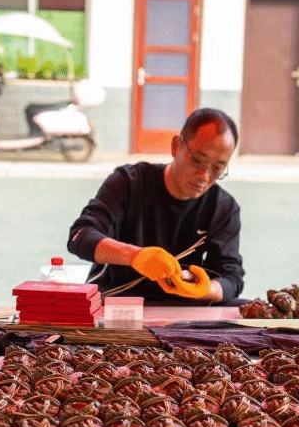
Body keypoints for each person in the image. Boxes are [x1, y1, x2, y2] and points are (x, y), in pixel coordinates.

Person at [67, 108, 245, 305]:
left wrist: (204, 289)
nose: (204, 175)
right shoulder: (129, 183)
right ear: (176, 146)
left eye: (217, 168)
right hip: (119, 302)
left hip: (182, 309)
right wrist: (136, 256)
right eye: (197, 161)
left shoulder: (222, 207)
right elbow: (81, 236)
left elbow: (231, 278)